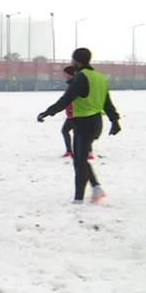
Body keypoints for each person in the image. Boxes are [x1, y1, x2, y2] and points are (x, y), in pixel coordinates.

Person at [38, 48, 120, 204]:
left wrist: (48, 112)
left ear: (77, 61)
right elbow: (107, 103)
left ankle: (79, 199)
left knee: (79, 162)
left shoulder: (82, 77)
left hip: (83, 123)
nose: (71, 62)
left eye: (72, 60)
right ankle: (95, 188)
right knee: (81, 159)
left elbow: (67, 99)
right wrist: (114, 120)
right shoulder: (100, 77)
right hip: (96, 123)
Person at [59, 66, 94, 159]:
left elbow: (70, 99)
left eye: (65, 73)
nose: (64, 75)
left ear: (69, 74)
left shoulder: (74, 84)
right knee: (81, 132)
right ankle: (88, 153)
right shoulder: (76, 83)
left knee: (67, 130)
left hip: (75, 113)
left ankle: (70, 151)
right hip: (79, 112)